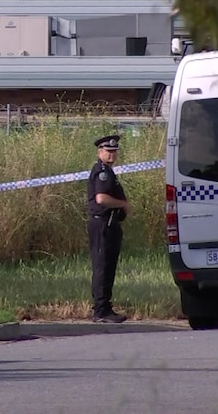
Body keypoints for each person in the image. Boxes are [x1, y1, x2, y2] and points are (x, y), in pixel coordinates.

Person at [86, 134, 130, 323]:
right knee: (102, 266)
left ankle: (106, 308)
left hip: (109, 224)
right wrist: (123, 204)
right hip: (102, 223)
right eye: (108, 151)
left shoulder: (108, 171)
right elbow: (101, 198)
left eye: (114, 151)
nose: (112, 155)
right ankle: (100, 310)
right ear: (100, 152)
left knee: (108, 266)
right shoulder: (102, 172)